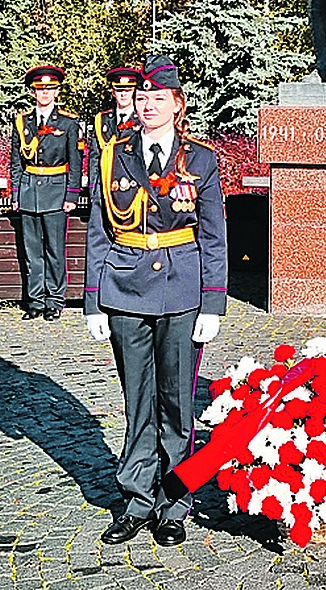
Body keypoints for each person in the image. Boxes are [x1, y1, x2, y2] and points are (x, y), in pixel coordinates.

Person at [83, 54, 228, 548]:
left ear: (177, 104)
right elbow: (99, 230)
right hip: (125, 289)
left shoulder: (201, 159)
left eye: (157, 98)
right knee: (136, 400)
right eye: (141, 97)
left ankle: (174, 500)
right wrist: (92, 301)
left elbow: (213, 235)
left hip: (182, 290)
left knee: (176, 401)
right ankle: (137, 498)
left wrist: (212, 303)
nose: (146, 105)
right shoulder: (111, 155)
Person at [9, 64, 83, 321]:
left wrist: (71, 195)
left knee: (54, 251)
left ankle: (54, 301)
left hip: (56, 192)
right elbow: (16, 162)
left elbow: (75, 161)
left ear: (57, 92)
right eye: (40, 89)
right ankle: (35, 301)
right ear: (32, 92)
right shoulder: (22, 122)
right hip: (29, 192)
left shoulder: (68, 123)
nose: (45, 94)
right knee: (32, 252)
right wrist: (16, 194)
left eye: (50, 89)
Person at [89, 65, 140, 193]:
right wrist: (93, 188)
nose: (123, 94)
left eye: (127, 90)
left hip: (133, 189)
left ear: (134, 92)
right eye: (119, 90)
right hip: (104, 187)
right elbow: (95, 157)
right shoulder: (101, 120)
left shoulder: (142, 120)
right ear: (113, 92)